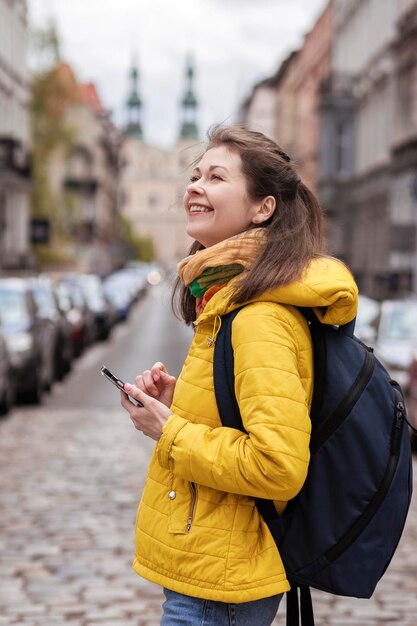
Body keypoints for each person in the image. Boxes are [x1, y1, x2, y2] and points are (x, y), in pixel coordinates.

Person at [120, 125, 358, 626]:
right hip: (209, 574)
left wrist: (169, 431)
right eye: (194, 175)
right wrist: (181, 400)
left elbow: (277, 465)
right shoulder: (229, 298)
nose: (194, 186)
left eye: (215, 177)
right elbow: (248, 411)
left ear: (262, 208)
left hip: (220, 586)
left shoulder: (258, 316)